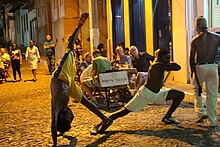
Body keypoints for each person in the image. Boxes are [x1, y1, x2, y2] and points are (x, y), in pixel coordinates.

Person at [51, 13, 111, 147]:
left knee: (69, 47)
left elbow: (53, 123)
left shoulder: (57, 105)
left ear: (63, 116)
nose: (71, 116)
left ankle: (79, 24)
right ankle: (105, 119)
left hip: (62, 76)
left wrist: (79, 25)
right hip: (68, 82)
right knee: (85, 101)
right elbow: (55, 125)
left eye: (69, 118)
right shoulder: (60, 108)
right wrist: (58, 137)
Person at [93, 48, 185, 133]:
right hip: (145, 94)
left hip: (157, 93)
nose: (168, 59)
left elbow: (175, 67)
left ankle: (167, 117)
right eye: (166, 57)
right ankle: (106, 120)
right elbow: (177, 67)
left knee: (180, 95)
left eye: (169, 57)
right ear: (160, 58)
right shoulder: (157, 65)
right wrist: (167, 62)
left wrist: (166, 61)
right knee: (124, 111)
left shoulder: (160, 63)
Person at [190, 16, 220, 127]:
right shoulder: (217, 37)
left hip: (200, 67)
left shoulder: (196, 40)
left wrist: (192, 72)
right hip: (213, 66)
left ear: (197, 27)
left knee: (196, 89)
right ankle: (212, 120)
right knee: (212, 94)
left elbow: (192, 59)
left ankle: (201, 111)